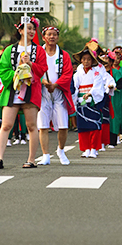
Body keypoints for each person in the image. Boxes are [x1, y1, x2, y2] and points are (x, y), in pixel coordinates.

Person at [0, 16, 47, 169]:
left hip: (31, 90)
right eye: (28, 28)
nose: (31, 31)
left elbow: (42, 69)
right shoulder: (10, 50)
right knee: (6, 125)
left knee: (31, 126)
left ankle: (31, 159)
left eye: (33, 28)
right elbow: (3, 70)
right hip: (13, 91)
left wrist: (30, 64)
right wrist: (17, 72)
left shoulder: (39, 50)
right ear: (20, 30)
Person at [37, 26, 75, 166]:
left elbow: (68, 73)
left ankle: (61, 150)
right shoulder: (38, 53)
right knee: (43, 126)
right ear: (44, 37)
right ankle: (45, 154)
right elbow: (33, 70)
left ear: (57, 37)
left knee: (64, 126)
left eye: (54, 35)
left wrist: (56, 84)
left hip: (59, 92)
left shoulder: (63, 55)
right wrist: (43, 81)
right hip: (42, 92)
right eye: (49, 34)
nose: (51, 37)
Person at [73, 47, 105, 158]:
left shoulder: (96, 74)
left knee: (94, 126)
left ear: (92, 61)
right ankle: (85, 148)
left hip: (92, 101)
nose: (86, 61)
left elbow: (98, 87)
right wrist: (75, 98)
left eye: (88, 59)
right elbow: (75, 87)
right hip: (81, 101)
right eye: (84, 59)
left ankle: (93, 149)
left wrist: (91, 93)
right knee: (82, 128)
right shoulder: (77, 74)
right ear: (81, 60)